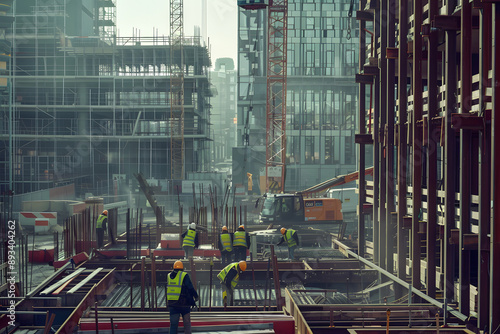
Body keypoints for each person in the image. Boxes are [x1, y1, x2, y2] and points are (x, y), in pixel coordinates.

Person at [167, 260, 198, 334]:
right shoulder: (184, 275)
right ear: (182, 268)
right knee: (187, 325)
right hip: (183, 304)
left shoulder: (169, 276)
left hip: (172, 304)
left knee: (173, 325)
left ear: (173, 267)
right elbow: (190, 287)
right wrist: (196, 296)